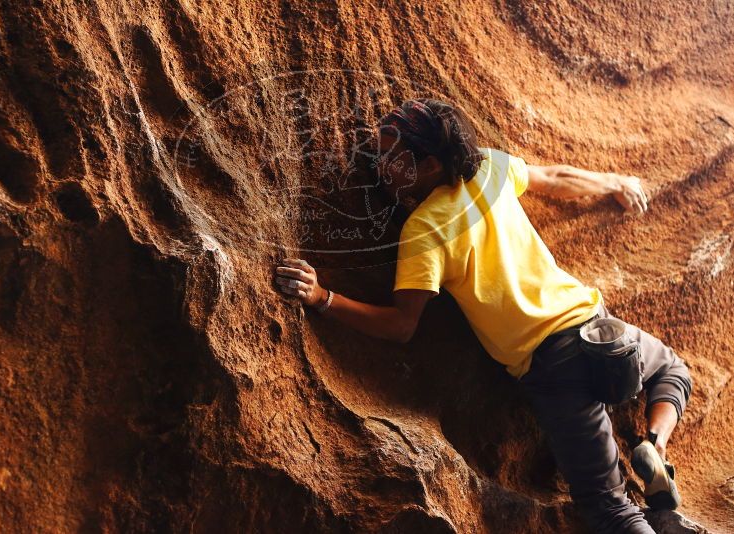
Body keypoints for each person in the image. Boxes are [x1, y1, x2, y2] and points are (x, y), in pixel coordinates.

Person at [272, 98, 692, 533]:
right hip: (595, 324)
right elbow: (553, 177)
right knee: (673, 370)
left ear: (429, 163)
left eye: (390, 155)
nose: (379, 164)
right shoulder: (490, 169)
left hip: (552, 366)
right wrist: (614, 182)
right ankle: (655, 447)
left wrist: (323, 297)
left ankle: (651, 473)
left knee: (610, 510)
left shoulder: (424, 230)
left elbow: (400, 326)